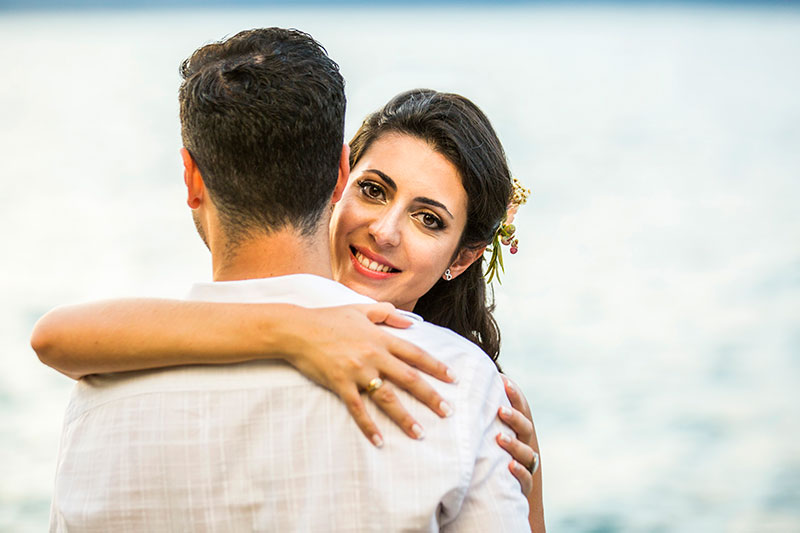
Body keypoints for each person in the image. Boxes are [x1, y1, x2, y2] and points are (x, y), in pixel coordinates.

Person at [39, 27, 537, 531]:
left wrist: (527, 484)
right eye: (373, 189)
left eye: (428, 219)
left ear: (466, 256)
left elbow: (54, 337)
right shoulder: (461, 388)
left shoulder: (98, 398)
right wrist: (296, 330)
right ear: (340, 176)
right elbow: (54, 336)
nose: (384, 232)